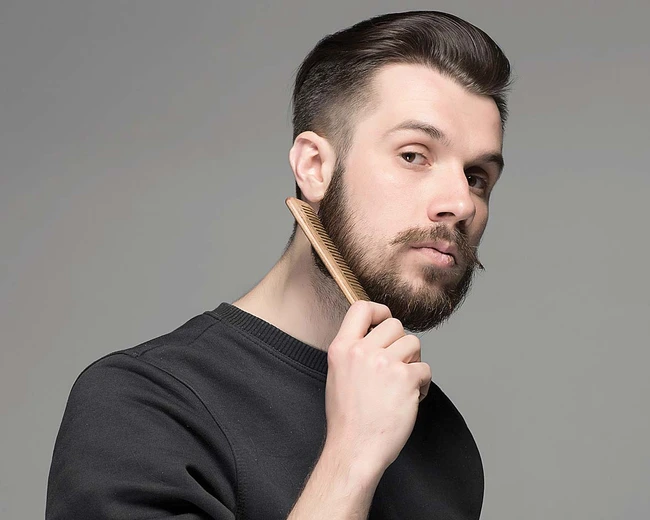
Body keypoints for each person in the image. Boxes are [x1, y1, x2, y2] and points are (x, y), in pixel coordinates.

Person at [46, 10, 511, 520]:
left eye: (476, 177)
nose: (461, 204)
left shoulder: (439, 433)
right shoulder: (142, 405)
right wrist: (352, 456)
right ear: (314, 167)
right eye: (414, 155)